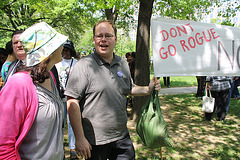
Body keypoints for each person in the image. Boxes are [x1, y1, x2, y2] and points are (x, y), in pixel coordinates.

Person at [65, 20, 161, 160]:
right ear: (94, 39)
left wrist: (148, 89)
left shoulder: (122, 63)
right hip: (95, 142)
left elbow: (128, 89)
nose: (103, 40)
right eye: (99, 36)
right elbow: (71, 101)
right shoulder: (83, 65)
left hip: (122, 137)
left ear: (115, 39)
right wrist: (79, 138)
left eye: (108, 36)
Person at [0, 22, 67, 159]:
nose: (62, 46)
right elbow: (4, 145)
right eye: (58, 43)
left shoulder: (50, 76)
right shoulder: (18, 84)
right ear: (49, 50)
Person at [56, 40, 78, 160]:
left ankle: (72, 148)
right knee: (60, 123)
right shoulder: (57, 63)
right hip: (59, 98)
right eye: (63, 50)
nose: (65, 52)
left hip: (72, 98)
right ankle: (59, 147)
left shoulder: (76, 63)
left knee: (72, 123)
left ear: (71, 52)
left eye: (67, 50)